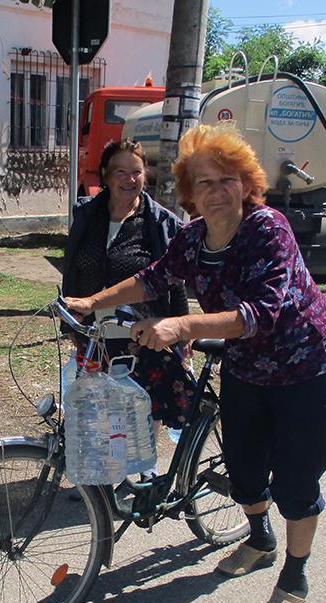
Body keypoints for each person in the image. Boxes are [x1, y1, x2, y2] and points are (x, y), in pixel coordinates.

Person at [64, 123, 326, 603]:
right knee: (243, 470)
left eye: (226, 180)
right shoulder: (193, 237)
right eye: (204, 182)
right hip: (245, 367)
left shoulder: (268, 228)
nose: (216, 191)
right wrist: (91, 301)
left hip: (301, 367)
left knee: (298, 483)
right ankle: (259, 539)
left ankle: (294, 575)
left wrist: (182, 324)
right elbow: (152, 277)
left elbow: (260, 312)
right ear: (189, 192)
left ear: (246, 183)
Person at [63, 140, 194, 436]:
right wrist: (70, 321)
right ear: (106, 175)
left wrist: (183, 332)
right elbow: (72, 267)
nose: (129, 179)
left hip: (142, 336)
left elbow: (174, 279)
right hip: (95, 334)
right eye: (120, 172)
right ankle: (105, 476)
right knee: (99, 411)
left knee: (143, 410)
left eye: (136, 172)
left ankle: (142, 474)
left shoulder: (159, 223)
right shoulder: (87, 215)